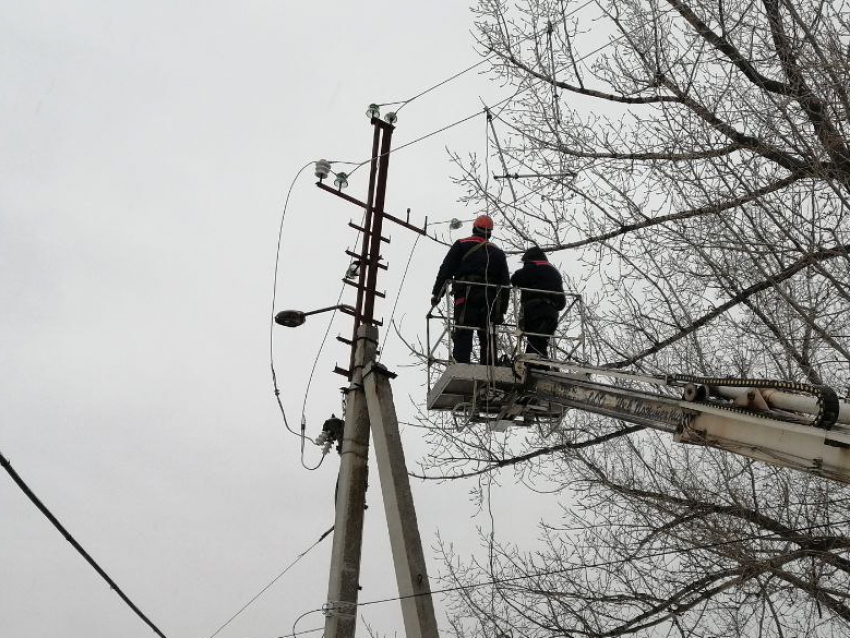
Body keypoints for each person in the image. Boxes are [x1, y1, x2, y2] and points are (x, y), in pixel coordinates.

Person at [431, 214, 510, 364]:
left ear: (474, 228)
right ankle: (489, 363)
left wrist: (437, 294)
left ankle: (461, 363)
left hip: (466, 296)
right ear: (490, 233)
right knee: (488, 334)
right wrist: (501, 311)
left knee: (463, 330)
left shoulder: (461, 244)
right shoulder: (498, 253)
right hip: (490, 299)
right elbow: (505, 285)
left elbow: (446, 270)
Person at [510, 246, 566, 358]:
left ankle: (533, 368)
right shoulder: (554, 272)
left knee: (535, 345)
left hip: (537, 311)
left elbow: (516, 279)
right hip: (551, 314)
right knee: (540, 343)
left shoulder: (534, 267)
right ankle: (541, 368)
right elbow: (562, 302)